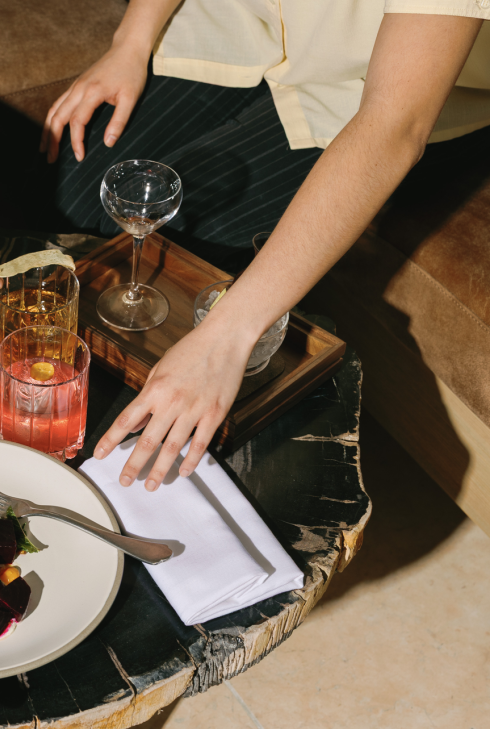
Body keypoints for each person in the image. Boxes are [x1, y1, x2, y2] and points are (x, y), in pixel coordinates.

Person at [42, 0, 488, 490]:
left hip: (368, 92)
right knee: (79, 196)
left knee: (169, 231)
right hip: (250, 25)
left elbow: (393, 125)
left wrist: (225, 339)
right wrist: (129, 42)